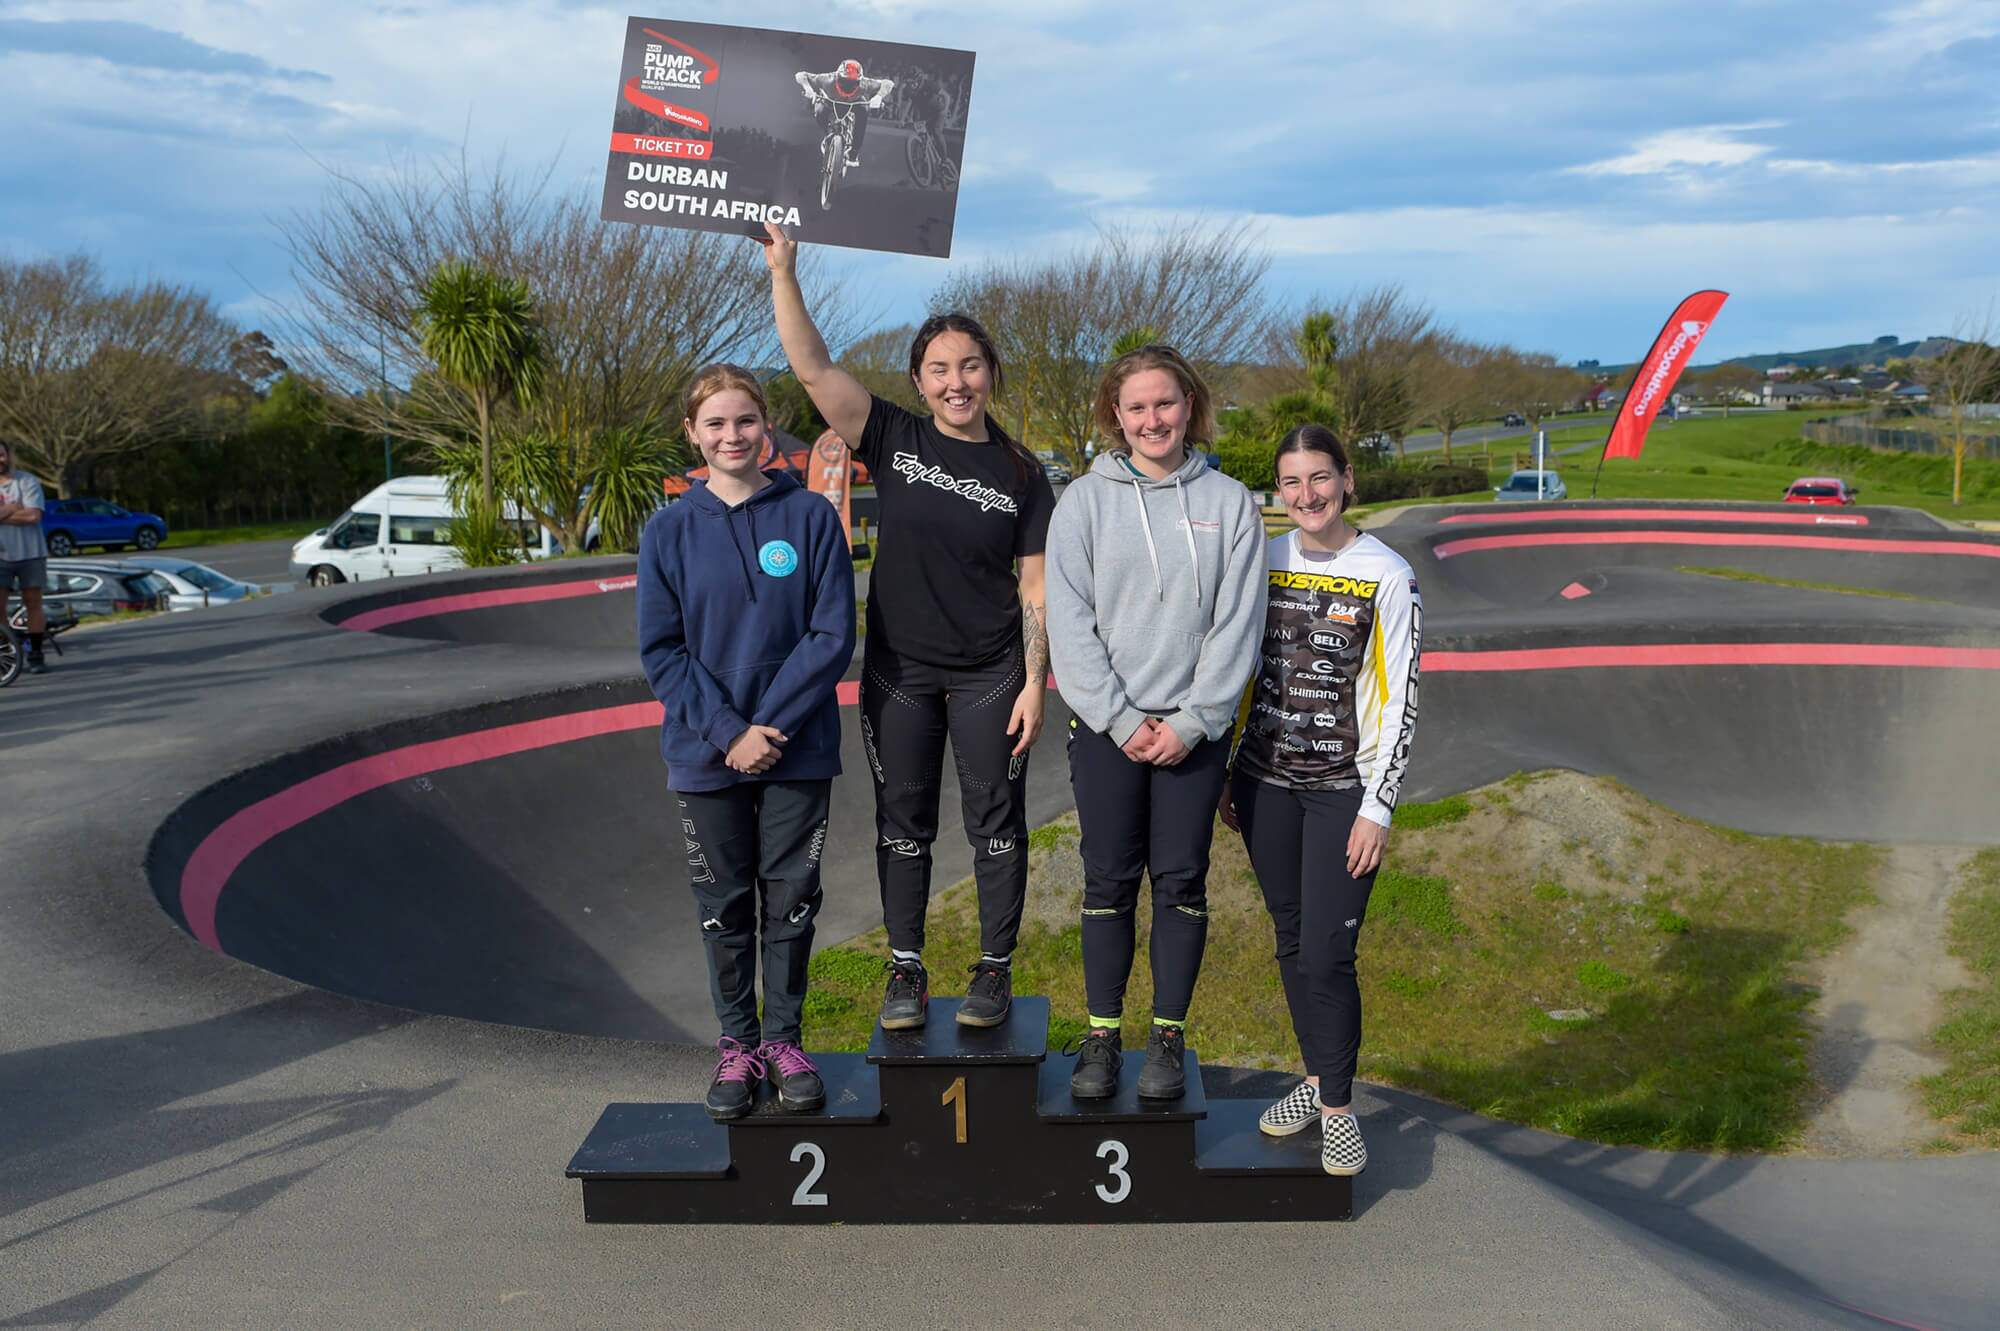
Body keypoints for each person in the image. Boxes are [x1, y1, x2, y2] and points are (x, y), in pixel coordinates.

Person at [759, 221, 1055, 1033]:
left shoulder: (1025, 474)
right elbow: (813, 368)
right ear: (919, 382)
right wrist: (785, 270)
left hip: (993, 671)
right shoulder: (893, 436)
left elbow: (1035, 585)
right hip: (900, 672)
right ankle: (906, 968)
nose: (956, 382)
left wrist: (1035, 681)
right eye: (938, 370)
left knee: (996, 821)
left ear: (990, 373)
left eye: (969, 366)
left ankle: (993, 969)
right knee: (905, 826)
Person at [637, 364, 857, 1120]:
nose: (733, 436)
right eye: (716, 424)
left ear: (768, 427)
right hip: (706, 754)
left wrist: (774, 726)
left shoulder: (811, 518)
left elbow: (832, 635)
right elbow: (662, 651)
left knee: (792, 898)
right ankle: (738, 1045)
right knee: (724, 906)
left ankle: (785, 1042)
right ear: (693, 434)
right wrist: (731, 733)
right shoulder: (667, 529)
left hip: (799, 748)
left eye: (746, 421)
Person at [1044, 345, 1265, 1100]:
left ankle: (1166, 1036)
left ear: (1189, 405)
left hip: (1193, 735)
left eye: (1165, 403)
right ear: (1115, 414)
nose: (1152, 419)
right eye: (1136, 407)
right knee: (1107, 881)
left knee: (1180, 881)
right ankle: (1102, 1038)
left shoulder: (1231, 503)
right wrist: (1117, 715)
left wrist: (1197, 719)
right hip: (1110, 731)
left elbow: (1238, 624)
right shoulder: (1083, 502)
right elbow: (1069, 622)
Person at [1221, 423, 1421, 1175]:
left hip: (1343, 795)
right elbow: (1238, 669)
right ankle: (1313, 1078)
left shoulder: (1387, 574)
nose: (1307, 495)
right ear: (1280, 492)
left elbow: (1403, 699)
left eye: (1320, 478)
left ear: (1346, 480)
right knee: (1293, 941)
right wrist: (1228, 773)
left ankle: (1339, 1110)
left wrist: (1379, 807)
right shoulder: (1264, 560)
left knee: (1330, 956)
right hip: (1264, 784)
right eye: (1292, 483)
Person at [0, 442, 49, 675]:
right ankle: (8, 653)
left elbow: (33, 516)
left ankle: (36, 653)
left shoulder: (26, 481)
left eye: (1, 454)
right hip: (1, 557)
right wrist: (11, 508)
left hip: (30, 553)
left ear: (8, 455)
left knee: (33, 603)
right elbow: (22, 512)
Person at [794, 58, 896, 169]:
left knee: (864, 112)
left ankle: (854, 152)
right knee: (819, 111)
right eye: (845, 81)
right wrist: (808, 88)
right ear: (837, 77)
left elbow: (889, 83)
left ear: (859, 80)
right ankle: (828, 132)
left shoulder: (864, 84)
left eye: (853, 83)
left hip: (855, 102)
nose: (848, 85)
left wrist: (879, 96)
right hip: (830, 101)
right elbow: (801, 75)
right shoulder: (827, 79)